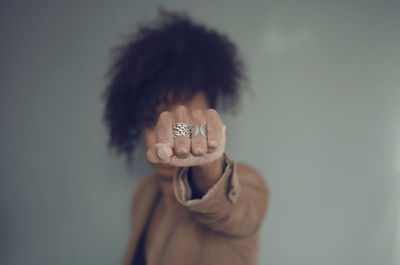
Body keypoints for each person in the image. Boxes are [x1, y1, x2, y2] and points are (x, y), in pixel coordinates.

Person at [101, 8, 270, 265]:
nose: (167, 135)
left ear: (209, 119)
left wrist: (208, 167)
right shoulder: (143, 194)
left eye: (187, 122)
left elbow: (230, 205)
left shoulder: (246, 183)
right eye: (152, 121)